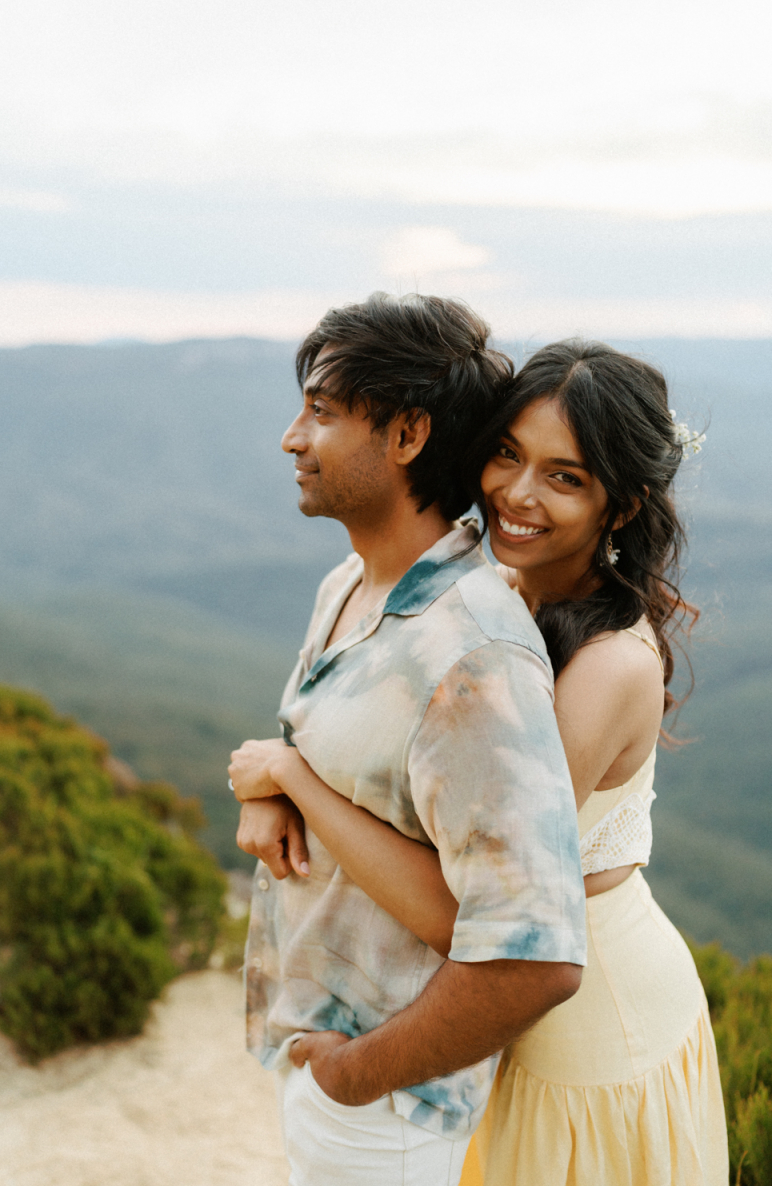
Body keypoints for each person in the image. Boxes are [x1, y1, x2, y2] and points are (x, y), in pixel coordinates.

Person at [234, 339, 729, 1185]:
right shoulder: (489, 588)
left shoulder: (605, 664)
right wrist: (288, 774)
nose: (517, 494)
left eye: (565, 477)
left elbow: (457, 894)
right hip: (472, 1019)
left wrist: (294, 779)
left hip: (581, 1033)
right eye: (507, 455)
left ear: (621, 505)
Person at [229, 294, 587, 1186]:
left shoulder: (473, 654)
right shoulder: (350, 583)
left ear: (408, 435)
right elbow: (356, 757)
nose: (292, 439)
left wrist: (359, 1077)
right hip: (325, 1056)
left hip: (389, 1106)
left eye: (321, 411)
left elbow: (534, 955)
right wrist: (281, 776)